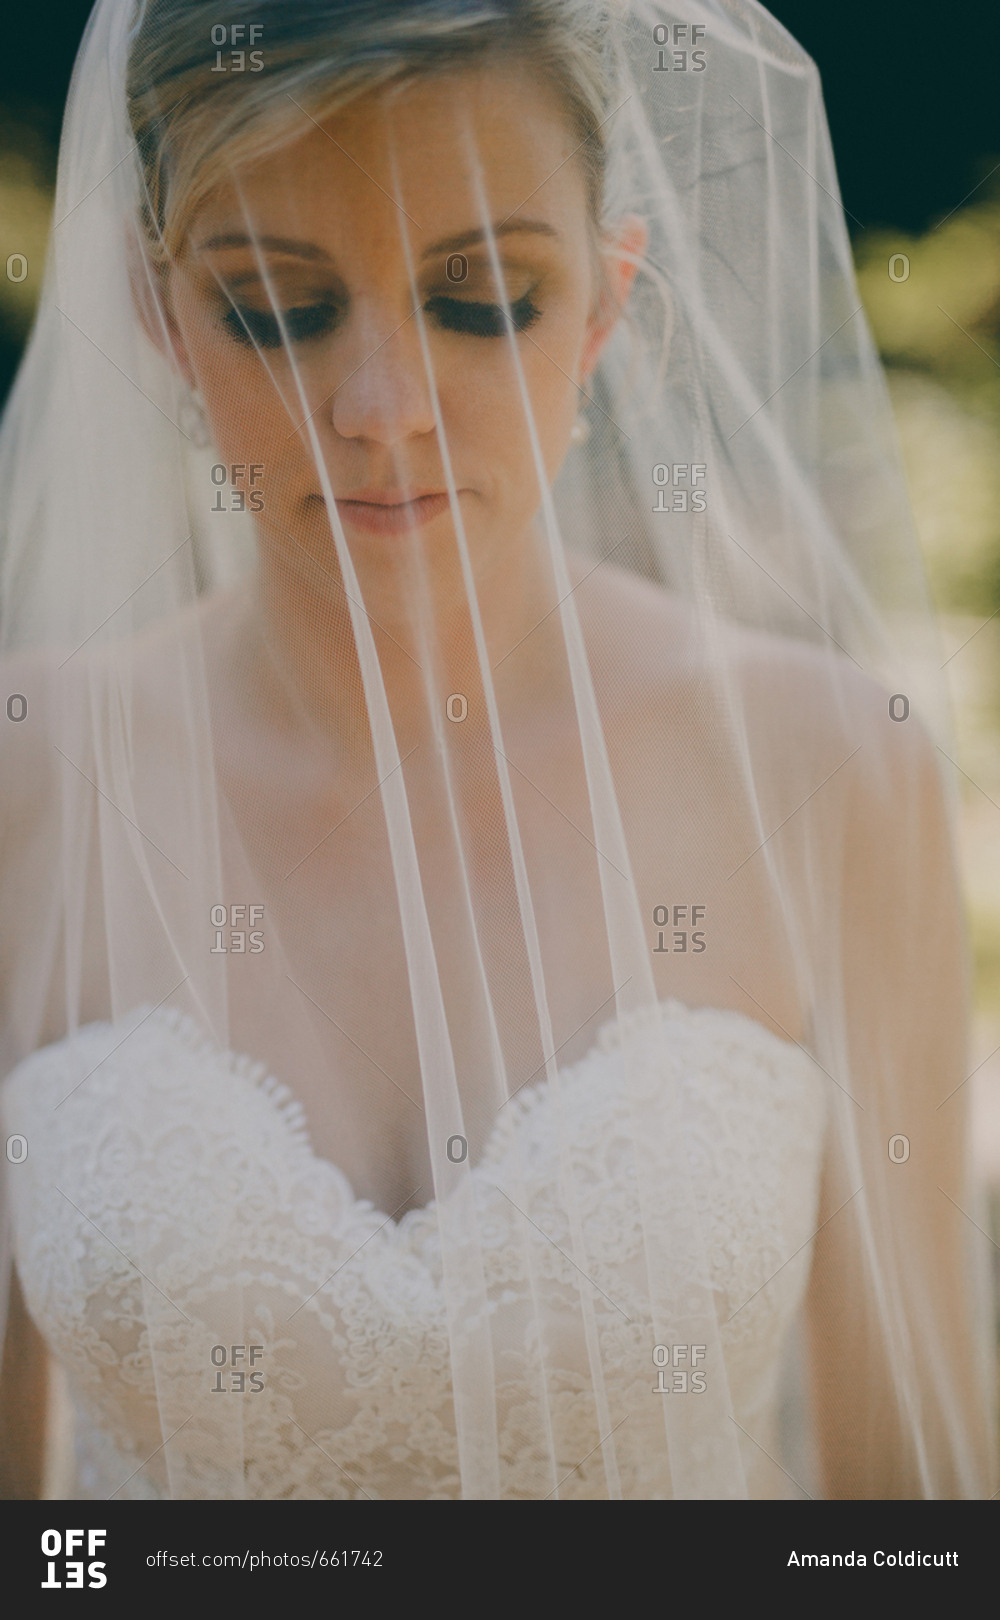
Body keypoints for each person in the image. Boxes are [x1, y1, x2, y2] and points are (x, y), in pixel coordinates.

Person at [0, 0, 994, 1499]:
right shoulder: (30, 785)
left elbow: (907, 1511)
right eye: (276, 306)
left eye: (483, 300)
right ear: (159, 316)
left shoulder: (832, 771)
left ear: (605, 303)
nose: (381, 412)